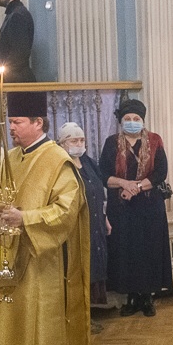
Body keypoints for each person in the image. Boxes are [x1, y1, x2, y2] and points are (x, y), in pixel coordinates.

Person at [0, 91, 92, 345]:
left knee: (42, 328)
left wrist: (24, 218)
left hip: (45, 263)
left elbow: (67, 210)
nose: (11, 127)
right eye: (10, 121)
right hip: (10, 258)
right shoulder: (10, 158)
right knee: (11, 327)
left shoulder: (58, 160)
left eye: (17, 121)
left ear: (38, 122)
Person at [101, 99, 173, 317]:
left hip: (149, 206)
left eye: (136, 119)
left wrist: (137, 187)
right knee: (126, 251)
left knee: (148, 250)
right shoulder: (112, 143)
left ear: (142, 120)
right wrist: (124, 184)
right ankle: (131, 298)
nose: (132, 123)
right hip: (122, 208)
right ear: (121, 122)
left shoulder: (155, 140)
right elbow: (104, 175)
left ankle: (147, 297)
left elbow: (160, 172)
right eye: (128, 119)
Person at [57, 123, 110, 312]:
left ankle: (87, 314)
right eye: (74, 140)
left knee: (93, 269)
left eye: (82, 140)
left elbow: (99, 191)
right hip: (75, 228)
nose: (79, 144)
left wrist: (104, 218)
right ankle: (76, 317)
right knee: (76, 271)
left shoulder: (87, 162)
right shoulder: (61, 165)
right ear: (62, 143)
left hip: (95, 223)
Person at [0, 0, 35, 82]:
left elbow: (19, 53)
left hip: (14, 82)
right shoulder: (14, 14)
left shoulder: (17, 16)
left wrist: (1, 77)